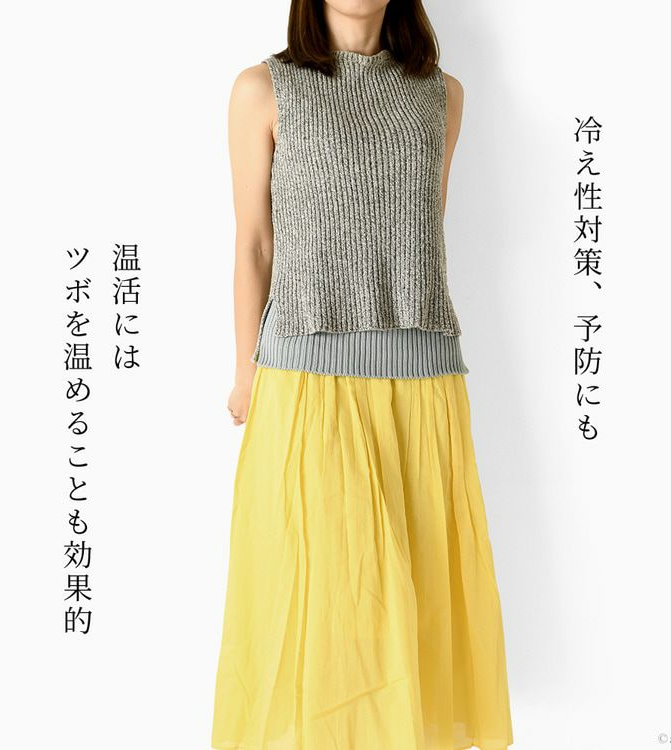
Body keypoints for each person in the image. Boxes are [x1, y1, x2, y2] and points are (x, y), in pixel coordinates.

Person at [211, 1, 514, 748]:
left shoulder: (442, 95)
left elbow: (421, 232)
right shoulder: (263, 89)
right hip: (306, 383)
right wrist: (246, 372)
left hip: (424, 385)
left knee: (416, 611)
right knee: (319, 609)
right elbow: (253, 243)